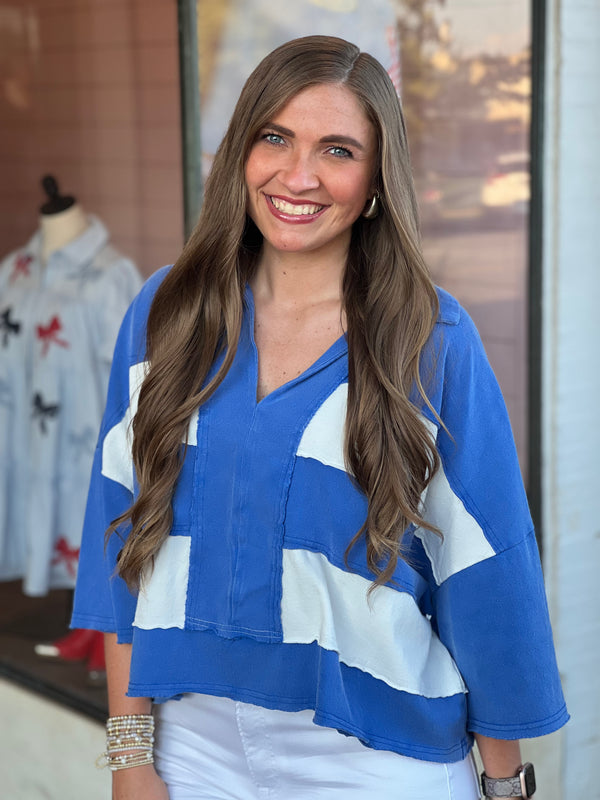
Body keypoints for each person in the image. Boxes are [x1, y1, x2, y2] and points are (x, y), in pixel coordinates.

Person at [72, 35, 568, 800]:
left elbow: (485, 575)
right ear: (241, 150)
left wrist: (503, 785)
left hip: (377, 754)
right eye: (275, 137)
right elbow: (123, 535)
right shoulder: (165, 314)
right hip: (191, 749)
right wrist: (131, 757)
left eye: (337, 150)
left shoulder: (429, 341)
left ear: (375, 180)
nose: (297, 175)